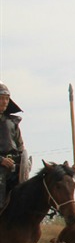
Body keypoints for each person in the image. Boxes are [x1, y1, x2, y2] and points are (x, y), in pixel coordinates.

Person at [0, 82, 26, 210]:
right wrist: (1, 160)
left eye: (7, 98)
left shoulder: (12, 122)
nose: (4, 102)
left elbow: (20, 145)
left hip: (14, 164)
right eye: (1, 98)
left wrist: (22, 162)